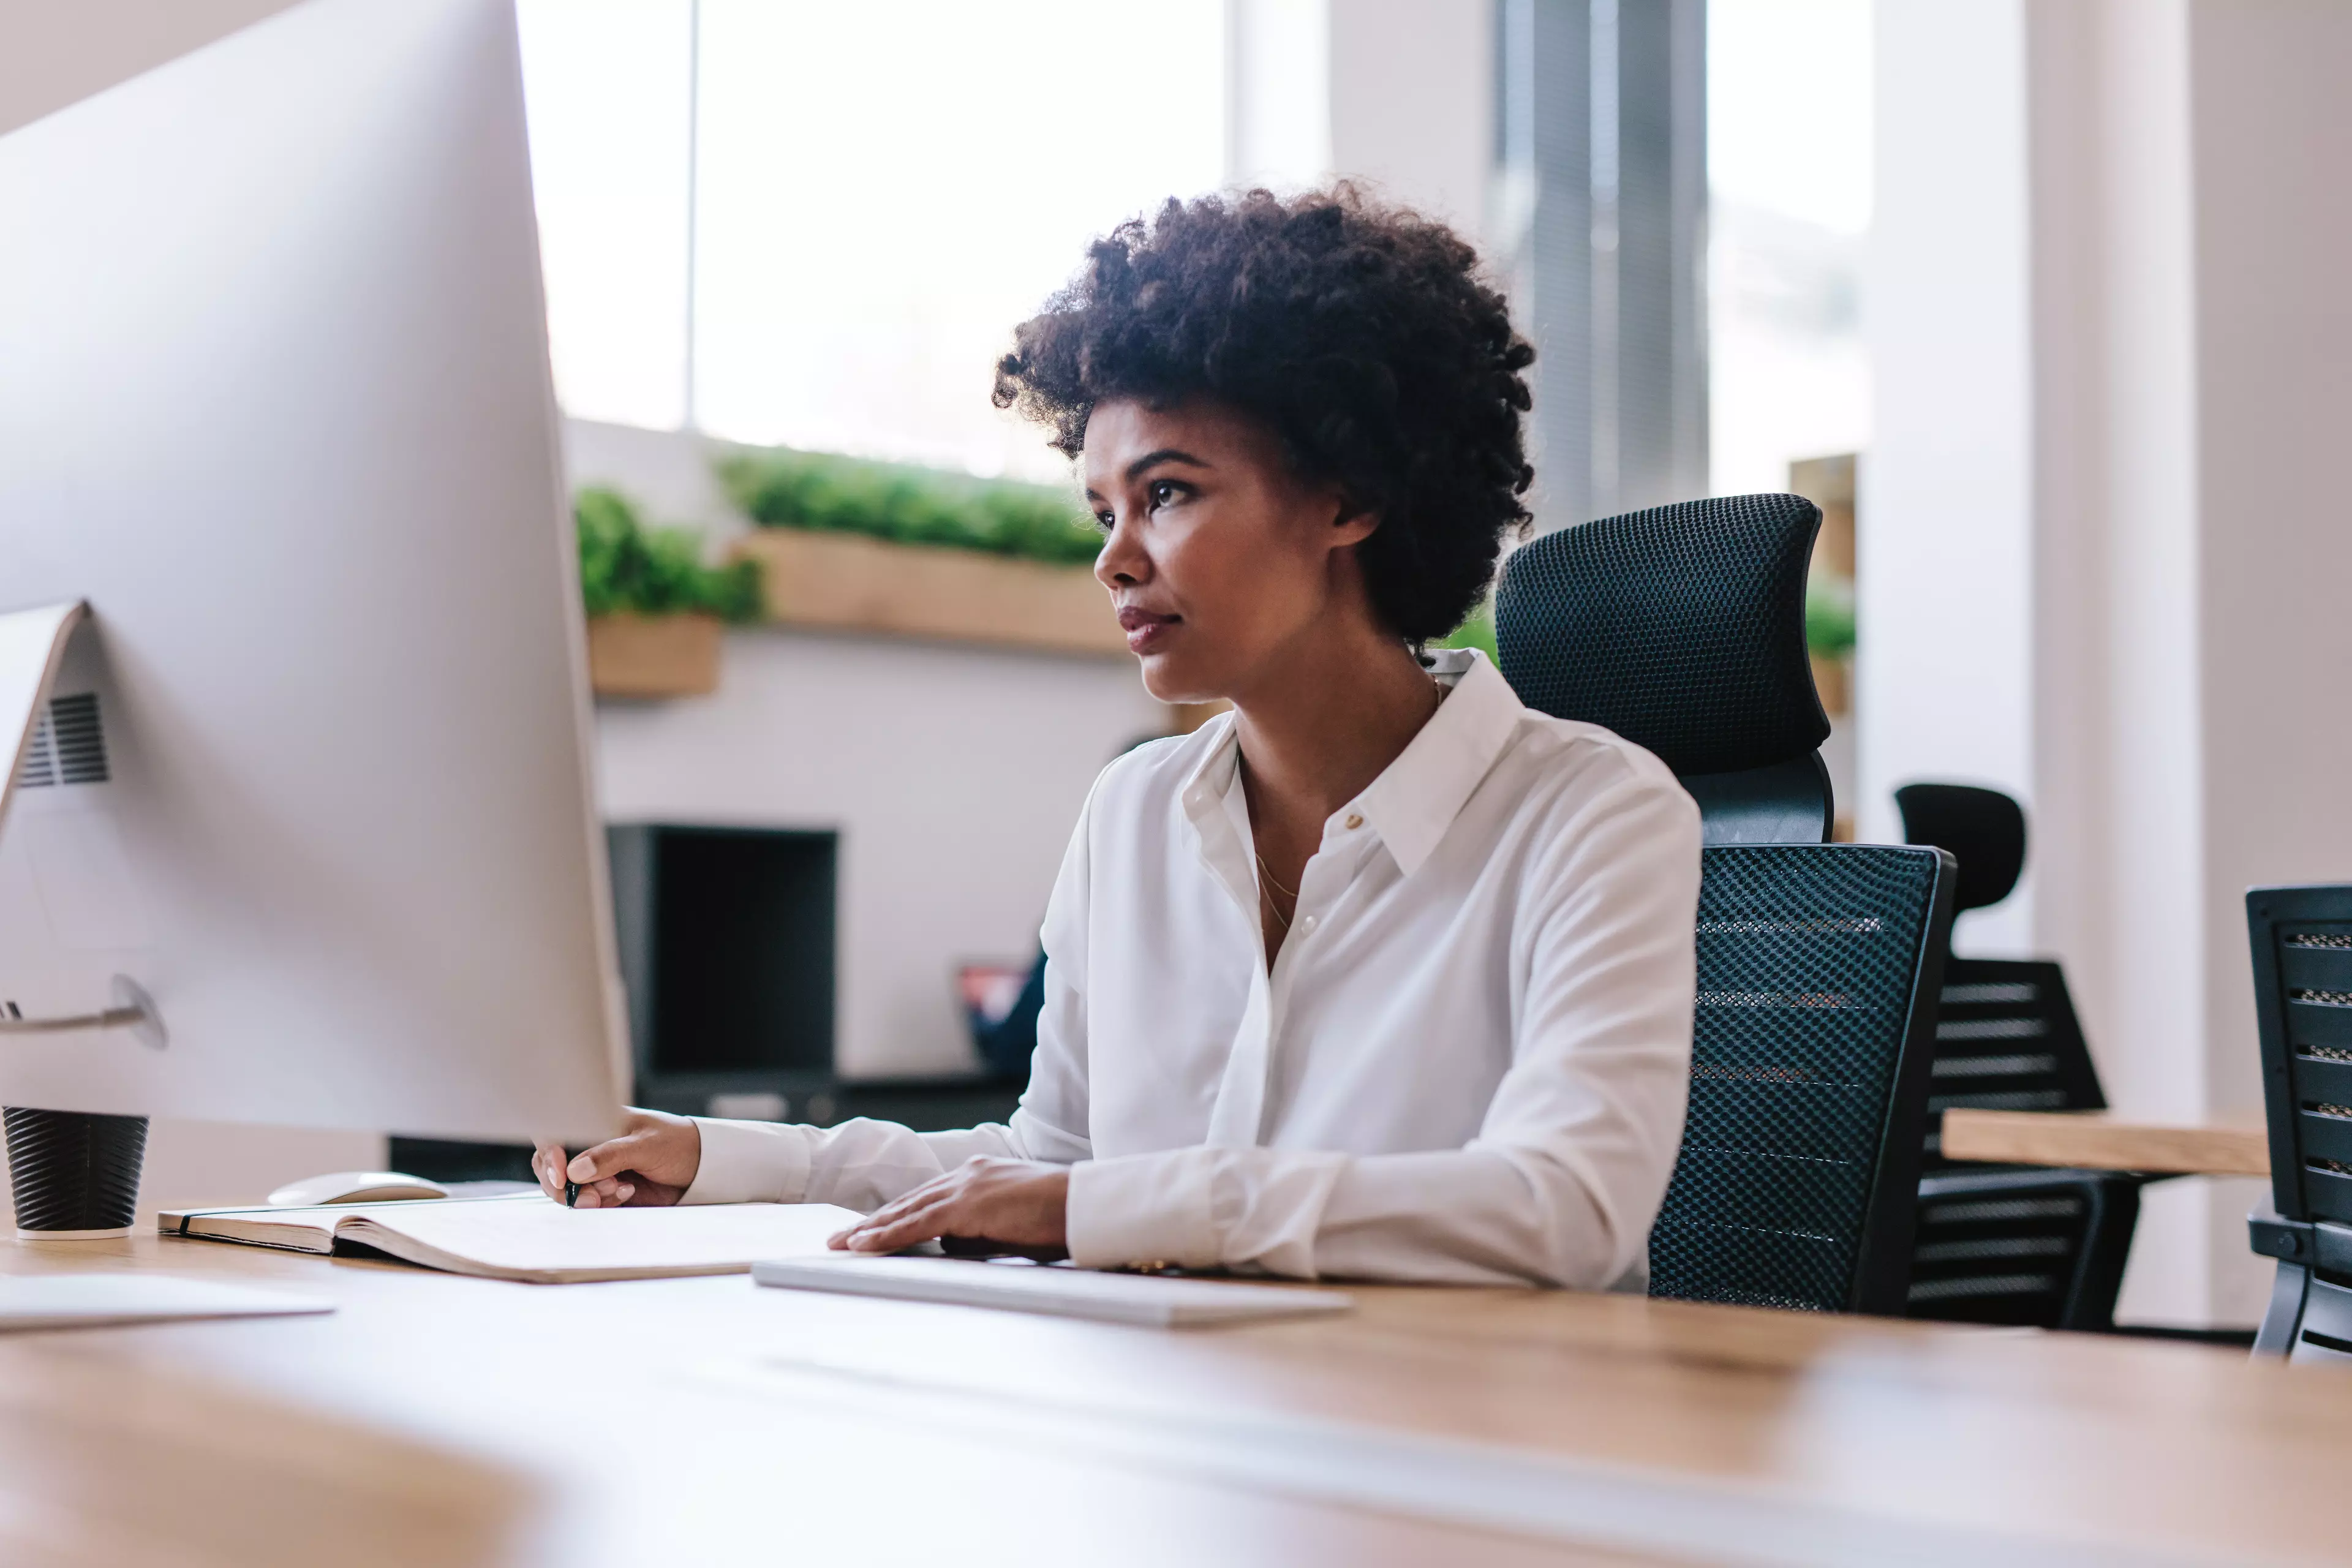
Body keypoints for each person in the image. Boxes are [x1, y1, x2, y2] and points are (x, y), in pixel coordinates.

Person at [535, 186, 1702, 1287]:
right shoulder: (1135, 811)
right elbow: (1050, 1166)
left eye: (1169, 495)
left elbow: (1566, 1210)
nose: (1114, 559)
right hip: (1187, 1431)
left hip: (1487, 1451)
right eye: (1104, 511)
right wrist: (726, 1161)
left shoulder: (1593, 813)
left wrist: (1119, 1208)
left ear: (1349, 499)